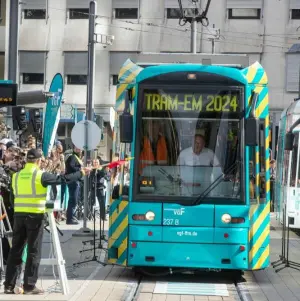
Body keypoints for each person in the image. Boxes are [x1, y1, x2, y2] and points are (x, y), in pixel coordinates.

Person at [4, 148, 91, 295]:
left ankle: (8, 285)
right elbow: (63, 180)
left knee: (15, 251)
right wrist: (81, 173)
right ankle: (29, 286)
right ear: (38, 161)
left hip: (18, 217)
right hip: (35, 217)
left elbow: (13, 199)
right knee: (33, 251)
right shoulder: (40, 175)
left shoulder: (16, 176)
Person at [65, 145, 83, 224]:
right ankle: (70, 218)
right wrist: (80, 169)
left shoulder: (77, 157)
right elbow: (72, 166)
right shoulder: (72, 157)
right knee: (73, 199)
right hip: (73, 180)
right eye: (77, 148)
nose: (79, 149)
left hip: (75, 180)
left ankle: (72, 217)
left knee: (74, 199)